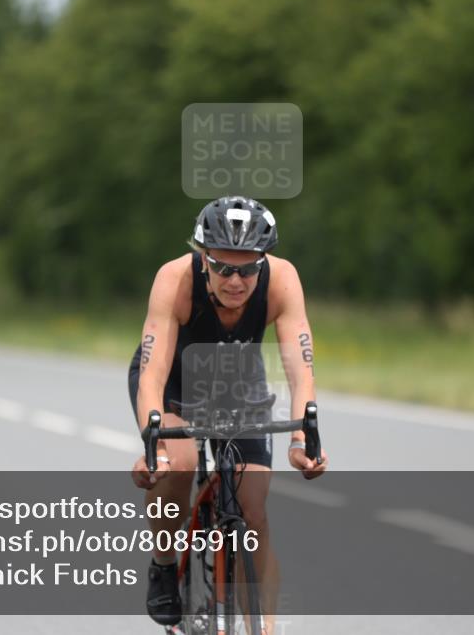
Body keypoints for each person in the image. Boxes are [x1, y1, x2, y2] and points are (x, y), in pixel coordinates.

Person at [127, 196, 329, 632]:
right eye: (222, 267)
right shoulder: (174, 280)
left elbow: (301, 368)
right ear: (203, 259)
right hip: (175, 383)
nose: (235, 280)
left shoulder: (283, 280)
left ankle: (263, 628)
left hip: (239, 383)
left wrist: (302, 441)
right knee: (177, 465)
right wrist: (154, 444)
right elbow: (152, 376)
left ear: (264, 261)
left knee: (253, 511)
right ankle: (164, 563)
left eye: (247, 268)